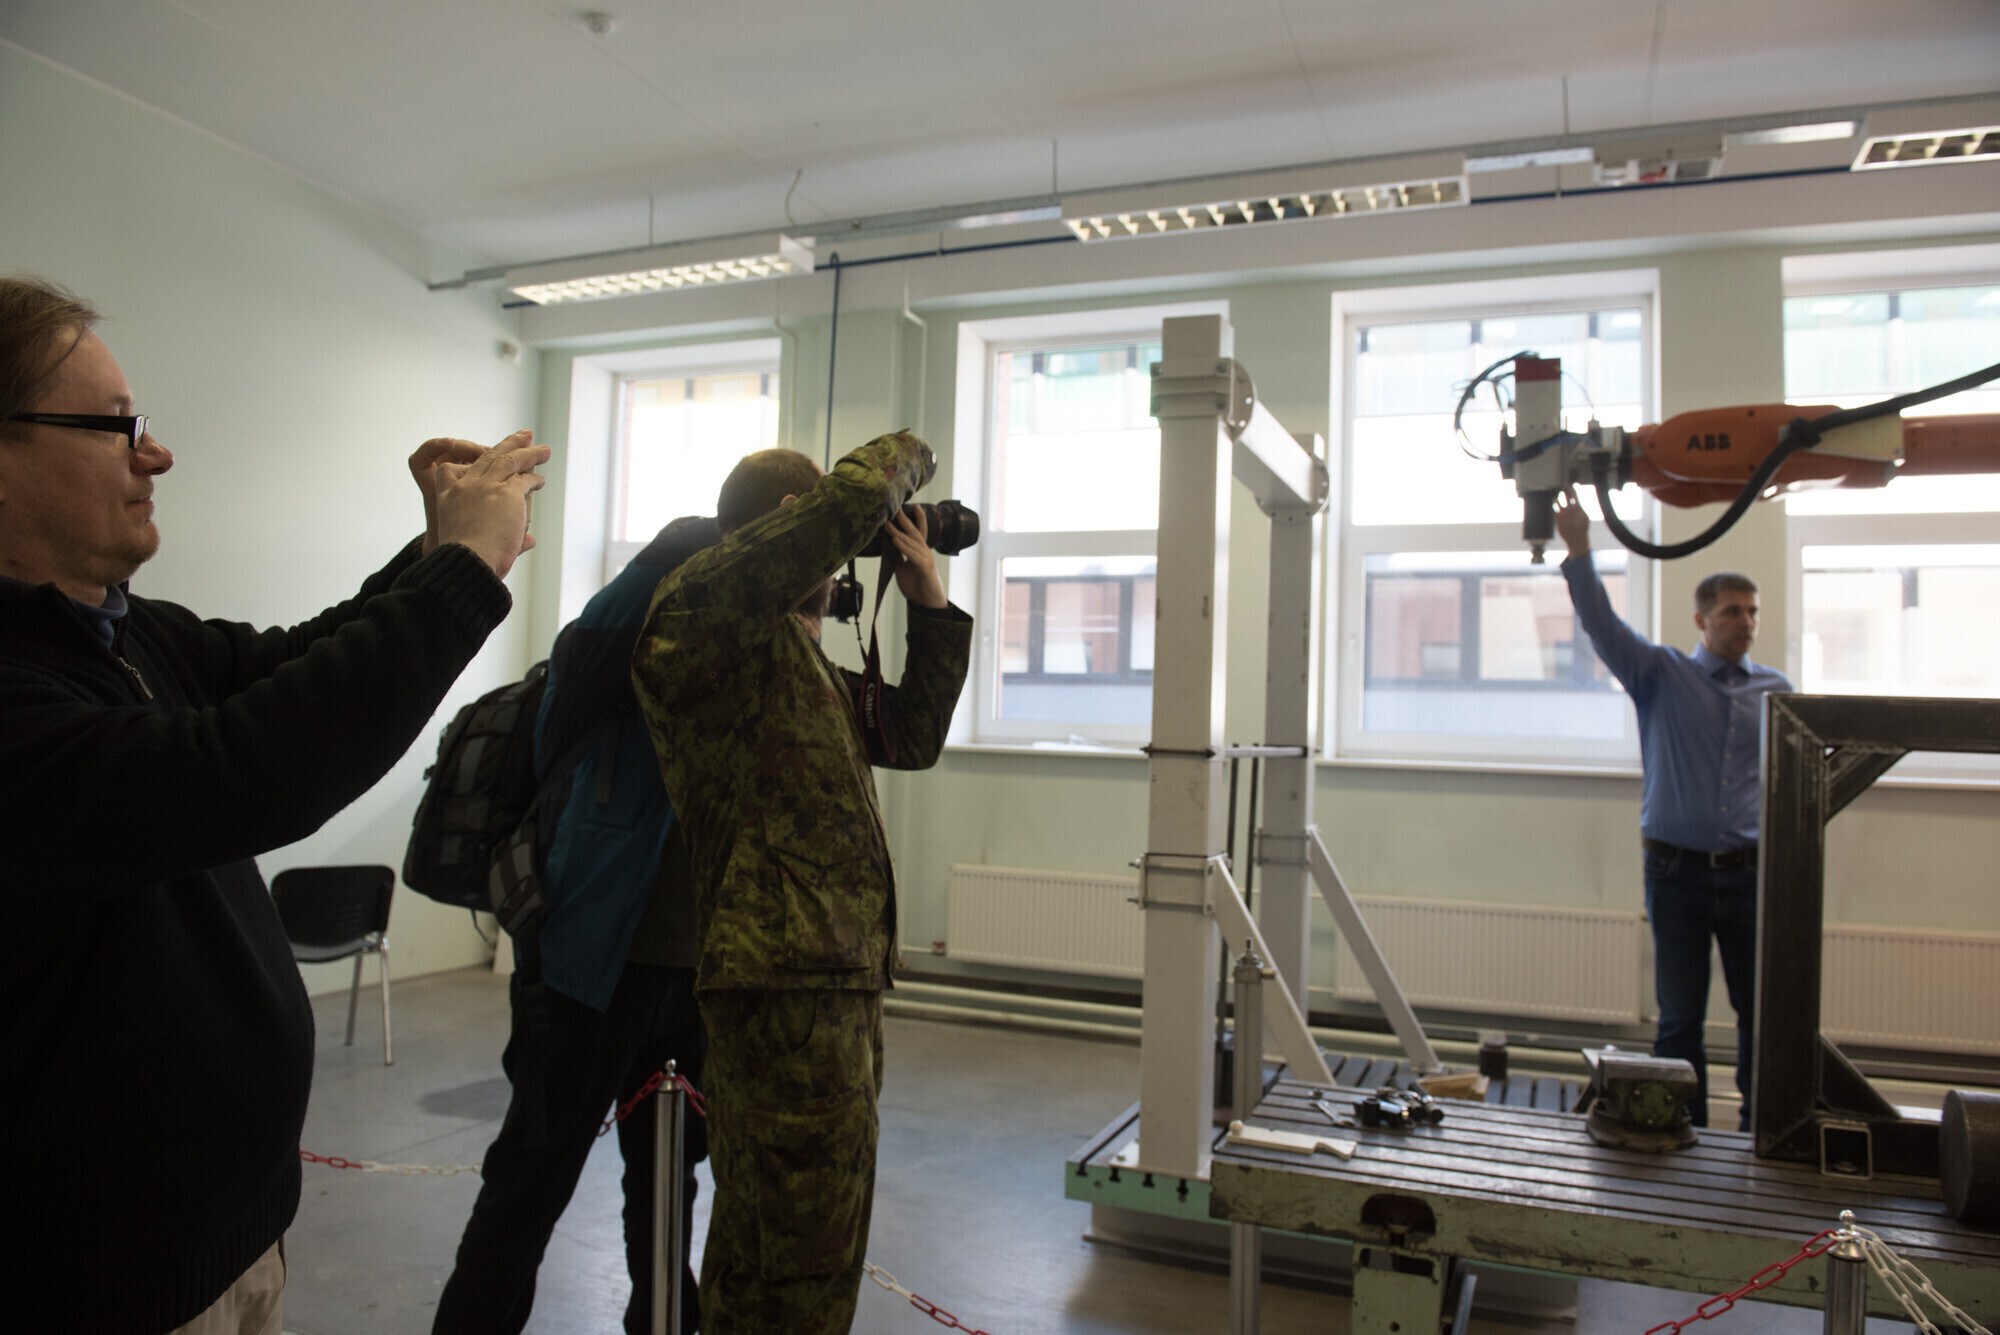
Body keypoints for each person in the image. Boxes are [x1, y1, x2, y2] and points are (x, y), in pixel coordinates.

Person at [0, 274, 546, 1335]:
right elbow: (250, 767)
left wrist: (436, 556)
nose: (155, 455)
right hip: (102, 1287)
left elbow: (297, 666)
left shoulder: (122, 632)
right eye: (116, 428)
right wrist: (465, 569)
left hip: (231, 1239)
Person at [631, 438, 972, 1335]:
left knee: (798, 1250)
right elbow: (849, 496)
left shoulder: (792, 657)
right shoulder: (699, 612)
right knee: (789, 1263)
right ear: (795, 524)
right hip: (782, 990)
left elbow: (908, 734)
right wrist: (912, 459)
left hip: (829, 990)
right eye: (837, 532)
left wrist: (929, 602)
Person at [435, 515, 721, 1335]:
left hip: (690, 978)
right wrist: (717, 531)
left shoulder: (731, 671)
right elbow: (606, 620)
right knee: (527, 1189)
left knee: (665, 1189)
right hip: (586, 973)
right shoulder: (602, 663)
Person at [1554, 488, 1792, 1129]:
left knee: (1759, 1015)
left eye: (1753, 612)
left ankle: (1761, 1134)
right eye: (1732, 612)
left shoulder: (1777, 692)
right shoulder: (1660, 675)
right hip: (1676, 875)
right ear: (1701, 620)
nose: (1745, 623)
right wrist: (1580, 550)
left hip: (1749, 876)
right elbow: (1602, 625)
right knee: (1680, 1019)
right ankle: (1684, 1135)